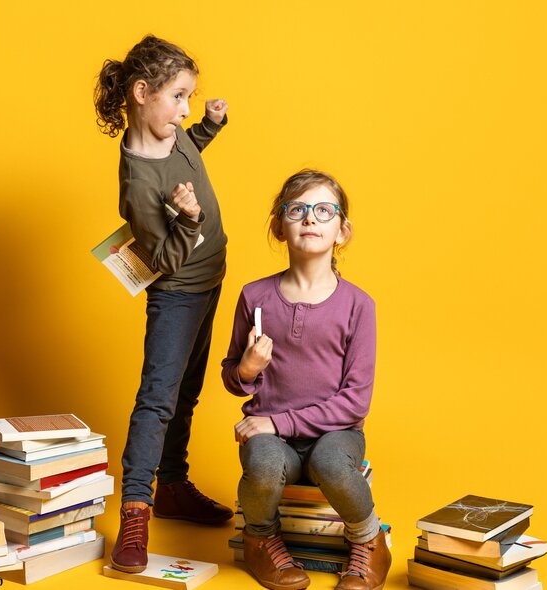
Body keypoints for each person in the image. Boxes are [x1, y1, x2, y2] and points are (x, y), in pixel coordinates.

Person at [94, 35, 233, 573]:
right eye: (178, 97)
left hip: (211, 280)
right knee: (158, 400)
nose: (185, 110)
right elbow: (166, 261)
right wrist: (191, 219)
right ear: (141, 92)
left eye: (189, 97)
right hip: (179, 294)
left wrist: (210, 127)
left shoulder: (171, 134)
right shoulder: (137, 181)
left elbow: (188, 148)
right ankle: (135, 513)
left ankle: (172, 484)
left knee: (188, 390)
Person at [221, 170, 391, 590]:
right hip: (272, 439)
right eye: (296, 210)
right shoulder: (255, 297)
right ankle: (261, 539)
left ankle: (369, 539)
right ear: (279, 227)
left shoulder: (359, 305)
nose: (310, 218)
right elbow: (232, 376)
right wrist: (248, 369)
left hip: (336, 434)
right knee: (262, 462)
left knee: (331, 463)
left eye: (323, 210)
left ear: (342, 231)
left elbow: (355, 402)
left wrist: (276, 422)